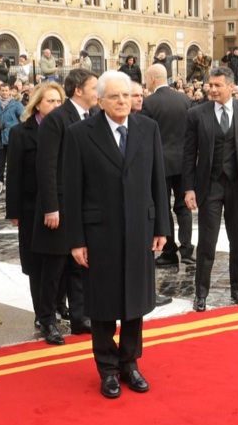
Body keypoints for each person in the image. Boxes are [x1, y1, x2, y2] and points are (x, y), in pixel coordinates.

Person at [65, 71, 169, 399]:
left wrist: (162, 227)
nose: (123, 101)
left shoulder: (148, 129)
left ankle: (130, 363)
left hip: (140, 229)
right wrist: (76, 240)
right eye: (114, 96)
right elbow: (72, 190)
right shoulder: (80, 135)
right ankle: (107, 368)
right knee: (103, 303)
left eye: (127, 95)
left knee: (135, 301)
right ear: (100, 101)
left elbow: (158, 180)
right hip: (100, 233)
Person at [182, 67, 238, 312]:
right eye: (210, 85)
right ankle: (201, 294)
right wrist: (188, 188)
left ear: (231, 87)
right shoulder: (196, 114)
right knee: (206, 242)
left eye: (218, 85)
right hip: (209, 186)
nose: (212, 89)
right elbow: (188, 154)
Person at [32, 68, 98, 345]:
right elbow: (46, 165)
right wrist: (51, 207)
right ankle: (48, 319)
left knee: (79, 263)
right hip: (59, 204)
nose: (98, 93)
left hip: (82, 204)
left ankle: (80, 316)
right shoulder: (57, 119)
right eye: (94, 88)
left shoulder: (93, 116)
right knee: (54, 266)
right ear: (78, 90)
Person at [5, 82, 63, 319]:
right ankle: (41, 311)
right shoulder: (21, 133)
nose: (56, 105)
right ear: (38, 104)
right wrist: (14, 212)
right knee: (36, 262)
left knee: (60, 259)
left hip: (59, 204)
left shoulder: (67, 129)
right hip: (31, 206)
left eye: (59, 101)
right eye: (51, 101)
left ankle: (59, 304)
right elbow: (14, 174)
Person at [142, 63, 195, 267]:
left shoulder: (149, 103)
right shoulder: (184, 99)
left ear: (152, 79)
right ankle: (187, 250)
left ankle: (169, 251)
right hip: (183, 162)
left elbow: (144, 134)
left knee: (163, 208)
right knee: (184, 207)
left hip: (160, 163)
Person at [0, 83, 23, 184]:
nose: (4, 93)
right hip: (0, 137)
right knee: (0, 162)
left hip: (12, 137)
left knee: (12, 162)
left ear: (10, 91)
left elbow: (23, 118)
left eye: (6, 90)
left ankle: (12, 181)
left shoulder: (16, 104)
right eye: (2, 90)